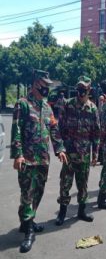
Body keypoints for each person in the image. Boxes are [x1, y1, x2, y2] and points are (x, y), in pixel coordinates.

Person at [11, 69, 67, 253]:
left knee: (38, 192)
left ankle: (27, 220)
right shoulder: (23, 104)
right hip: (27, 159)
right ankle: (29, 232)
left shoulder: (47, 107)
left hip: (43, 159)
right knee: (27, 193)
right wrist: (18, 154)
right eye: (45, 85)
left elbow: (54, 130)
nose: (47, 89)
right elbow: (16, 130)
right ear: (36, 84)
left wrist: (59, 149)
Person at [55, 76, 101, 226]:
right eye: (79, 90)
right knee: (65, 184)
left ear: (89, 91)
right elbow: (59, 129)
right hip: (69, 154)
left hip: (84, 154)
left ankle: (82, 211)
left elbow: (96, 133)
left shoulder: (93, 108)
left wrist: (95, 154)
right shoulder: (67, 105)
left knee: (83, 184)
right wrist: (60, 149)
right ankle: (62, 213)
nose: (81, 93)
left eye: (84, 90)